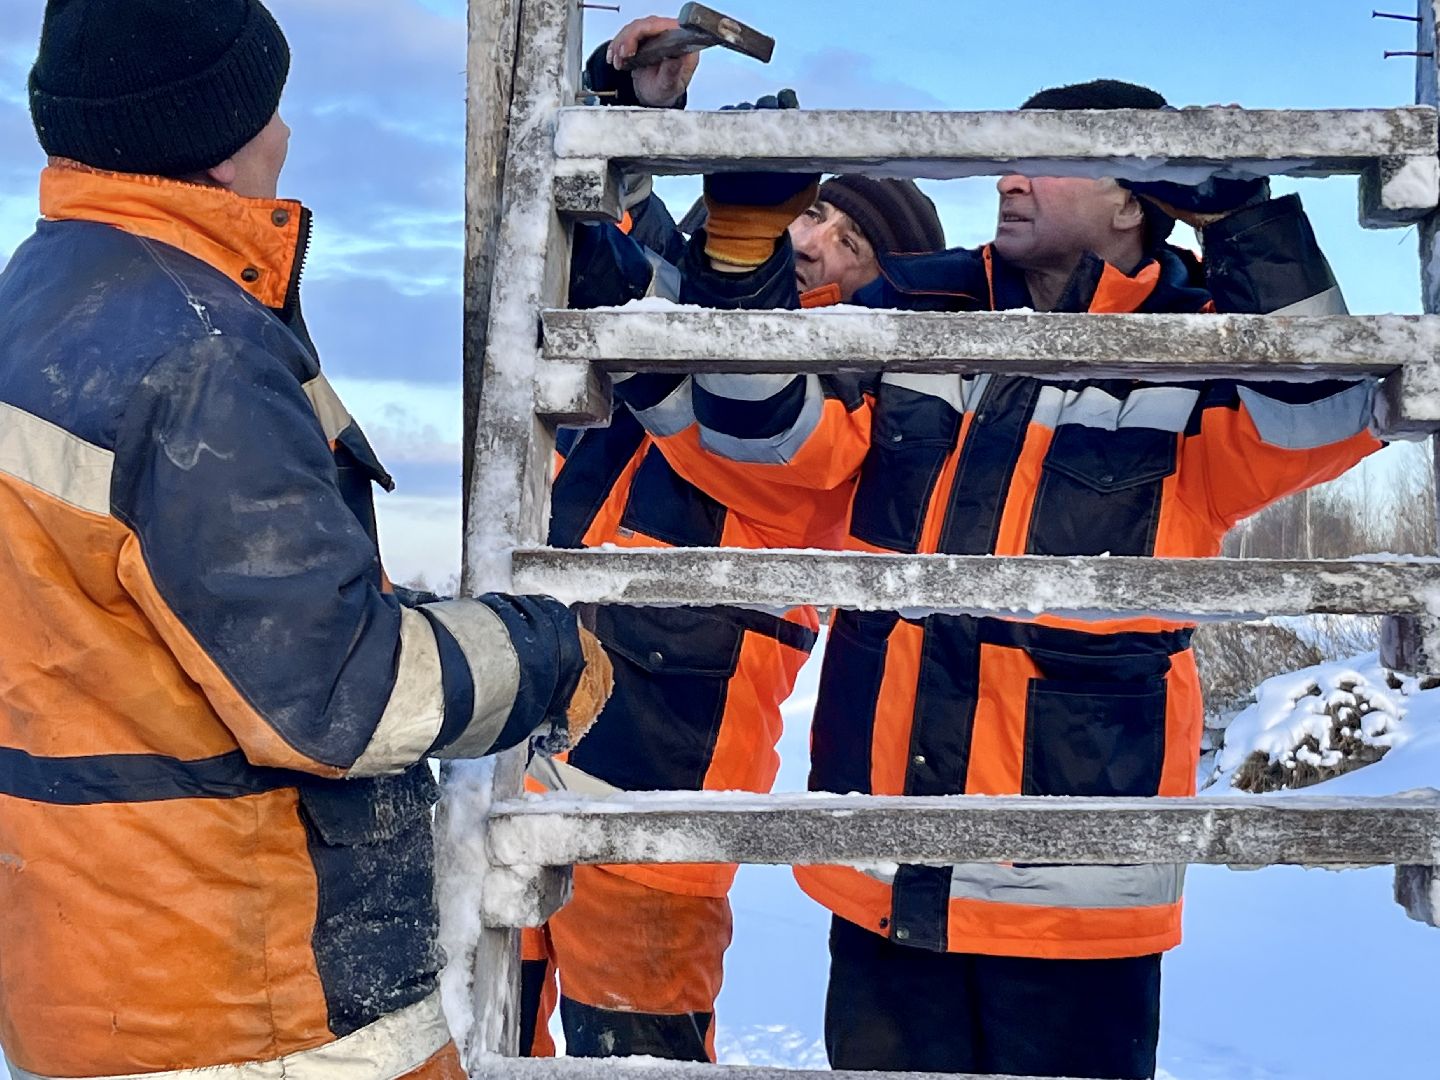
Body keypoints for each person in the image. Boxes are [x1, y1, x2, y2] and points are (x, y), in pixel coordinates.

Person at [612, 79, 1383, 1079]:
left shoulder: (1205, 339)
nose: (1010, 175)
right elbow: (774, 443)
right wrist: (741, 250)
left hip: (1071, 904)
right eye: (1008, 152)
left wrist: (1248, 221)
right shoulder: (920, 303)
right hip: (885, 867)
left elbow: (1322, 418)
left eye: (1050, 154)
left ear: (1131, 196)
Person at [0, 2, 612, 1078]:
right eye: (272, 105)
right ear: (222, 135)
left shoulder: (36, 306)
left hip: (84, 976)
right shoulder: (199, 357)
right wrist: (545, 652)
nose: (287, 135)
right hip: (249, 999)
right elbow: (346, 697)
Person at [521, 17, 945, 1064]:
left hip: (666, 757)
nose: (811, 243)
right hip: (531, 714)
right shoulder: (712, 294)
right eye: (816, 215)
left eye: (850, 246)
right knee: (483, 1025)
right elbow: (600, 243)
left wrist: (698, 237)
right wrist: (636, 107)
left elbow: (674, 329)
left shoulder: (856, 396)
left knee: (641, 1039)